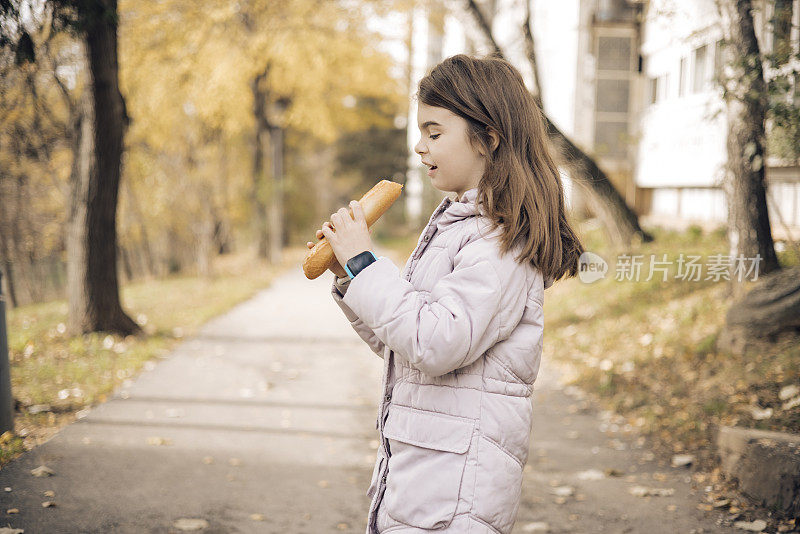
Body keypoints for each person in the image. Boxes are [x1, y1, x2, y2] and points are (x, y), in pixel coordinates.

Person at [305, 53, 584, 534]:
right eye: (420, 132)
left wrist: (366, 262)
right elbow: (404, 340)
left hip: (456, 495)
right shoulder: (455, 228)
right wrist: (352, 275)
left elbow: (437, 343)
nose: (419, 146)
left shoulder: (501, 240)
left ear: (488, 137)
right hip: (422, 475)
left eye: (434, 133)